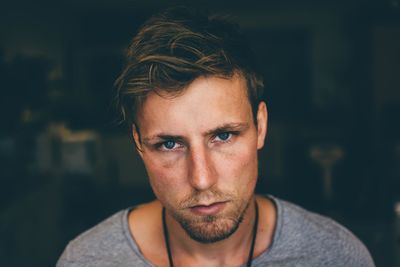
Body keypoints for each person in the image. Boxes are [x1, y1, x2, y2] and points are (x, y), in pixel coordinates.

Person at [57, 7, 375, 267]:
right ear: (139, 143)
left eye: (223, 136)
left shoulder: (336, 256)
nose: (202, 179)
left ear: (260, 126)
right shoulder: (86, 260)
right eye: (169, 144)